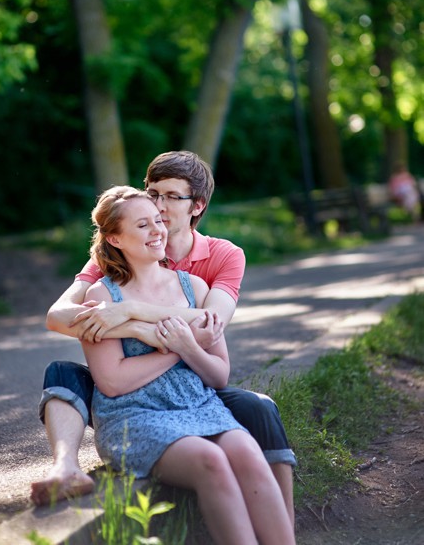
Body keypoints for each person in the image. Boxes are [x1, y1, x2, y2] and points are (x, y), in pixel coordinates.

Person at [34, 151, 296, 527]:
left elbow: (211, 323)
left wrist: (130, 313)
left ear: (197, 206)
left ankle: (287, 522)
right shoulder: (112, 258)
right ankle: (65, 468)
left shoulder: (220, 257)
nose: (159, 206)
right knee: (61, 371)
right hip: (131, 391)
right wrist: (134, 328)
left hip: (191, 379)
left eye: (171, 197)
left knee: (260, 409)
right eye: (153, 193)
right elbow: (57, 316)